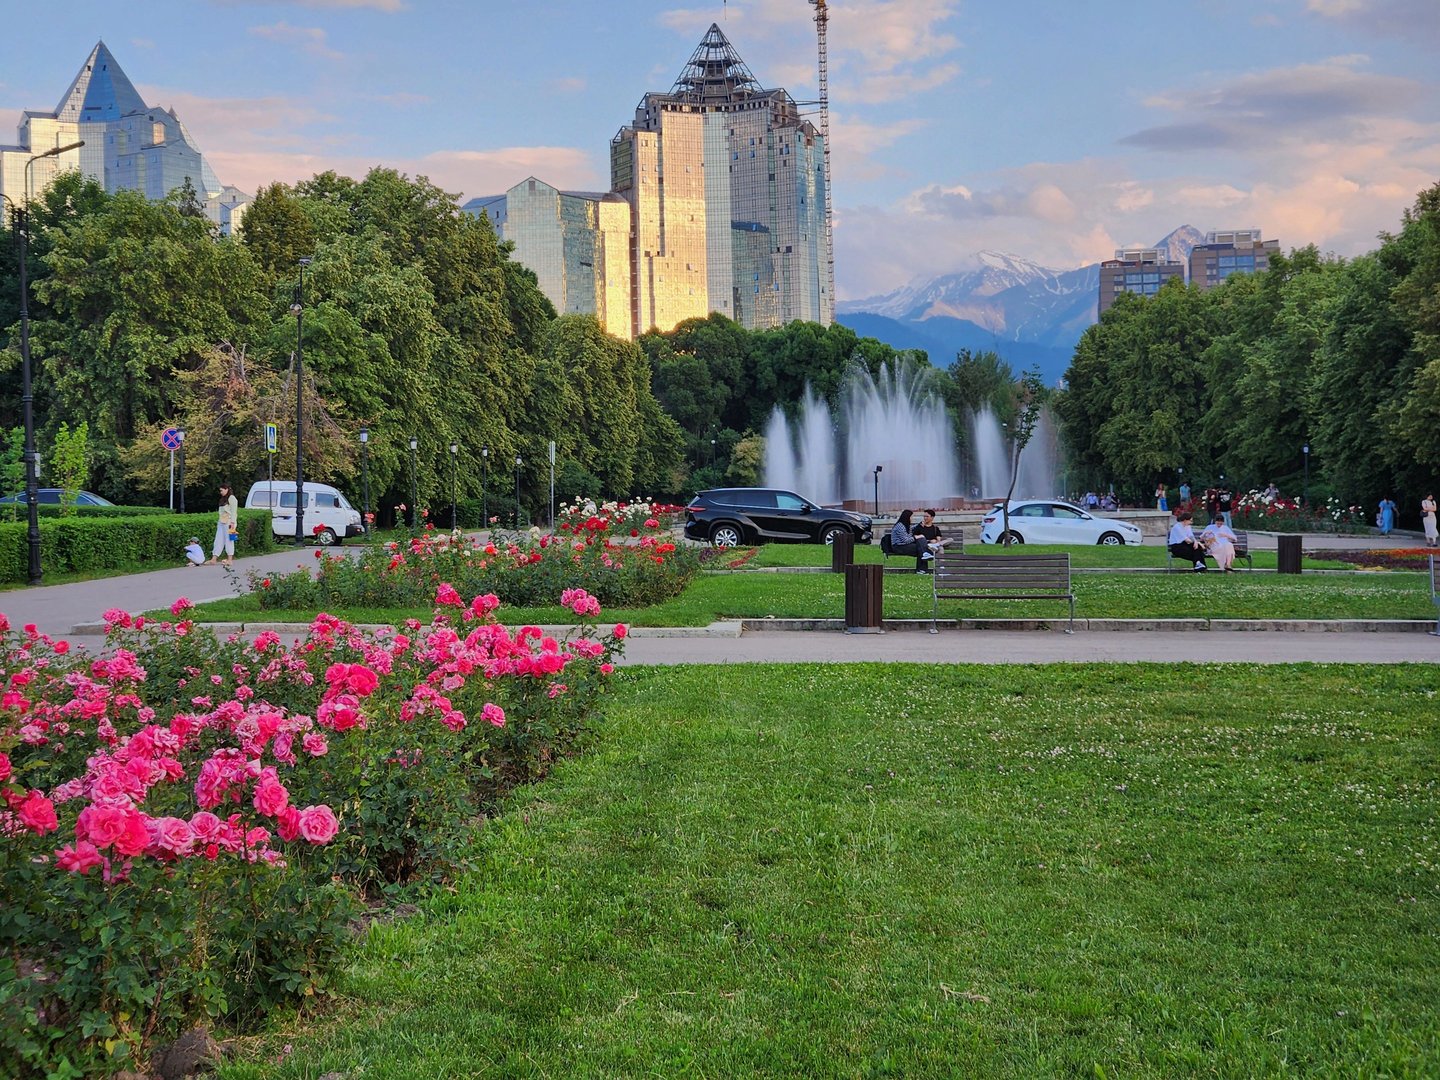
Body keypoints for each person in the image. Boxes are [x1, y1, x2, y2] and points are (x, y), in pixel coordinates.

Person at [890, 509, 935, 573]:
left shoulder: (905, 525)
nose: (912, 519)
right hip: (899, 547)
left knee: (921, 544)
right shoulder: (900, 526)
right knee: (921, 548)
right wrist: (915, 537)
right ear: (907, 517)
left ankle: (923, 566)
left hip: (904, 545)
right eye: (911, 517)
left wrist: (920, 525)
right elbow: (905, 540)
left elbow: (912, 529)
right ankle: (922, 568)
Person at [208, 482, 238, 566]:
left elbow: (234, 511)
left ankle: (229, 559)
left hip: (229, 521)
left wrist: (233, 522)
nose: (220, 492)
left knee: (229, 540)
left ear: (226, 489)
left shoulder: (232, 498)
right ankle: (214, 558)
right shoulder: (223, 499)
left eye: (222, 490)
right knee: (218, 539)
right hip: (221, 521)